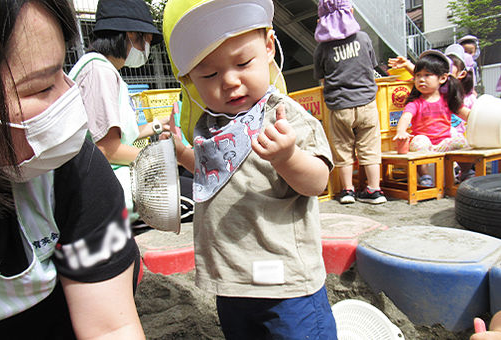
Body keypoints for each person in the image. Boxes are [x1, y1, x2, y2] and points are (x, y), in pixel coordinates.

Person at [162, 0, 337, 338]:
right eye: (209, 74)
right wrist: (184, 152)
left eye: (243, 62)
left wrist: (288, 158)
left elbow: (318, 181)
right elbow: (212, 171)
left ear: (269, 47)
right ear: (191, 80)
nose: (229, 81)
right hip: (231, 280)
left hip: (286, 285)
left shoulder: (285, 117)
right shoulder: (211, 126)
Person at [0, 0, 145, 339]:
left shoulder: (74, 168)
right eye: (42, 87)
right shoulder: (102, 71)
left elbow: (110, 327)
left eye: (62, 70)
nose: (69, 97)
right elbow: (110, 147)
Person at [69, 0, 164, 223]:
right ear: (130, 34)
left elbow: (116, 135)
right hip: (101, 189)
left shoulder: (103, 68)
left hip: (109, 179)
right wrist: (163, 160)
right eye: (146, 41)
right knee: (186, 194)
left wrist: (157, 126)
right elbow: (107, 149)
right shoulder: (98, 70)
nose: (146, 50)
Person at [313, 0, 387, 205]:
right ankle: (374, 190)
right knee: (370, 148)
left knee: (343, 149)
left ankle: (347, 191)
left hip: (339, 106)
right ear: (351, 12)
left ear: (321, 20)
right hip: (367, 103)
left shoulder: (322, 48)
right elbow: (372, 66)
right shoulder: (363, 39)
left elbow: (321, 77)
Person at [393, 50, 471, 187]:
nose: (421, 79)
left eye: (427, 75)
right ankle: (425, 176)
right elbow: (405, 117)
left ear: (442, 78)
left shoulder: (447, 100)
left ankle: (465, 172)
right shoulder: (415, 103)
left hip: (444, 144)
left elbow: (467, 114)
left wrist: (481, 120)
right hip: (425, 145)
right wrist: (401, 131)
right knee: (418, 141)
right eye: (418, 76)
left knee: (462, 141)